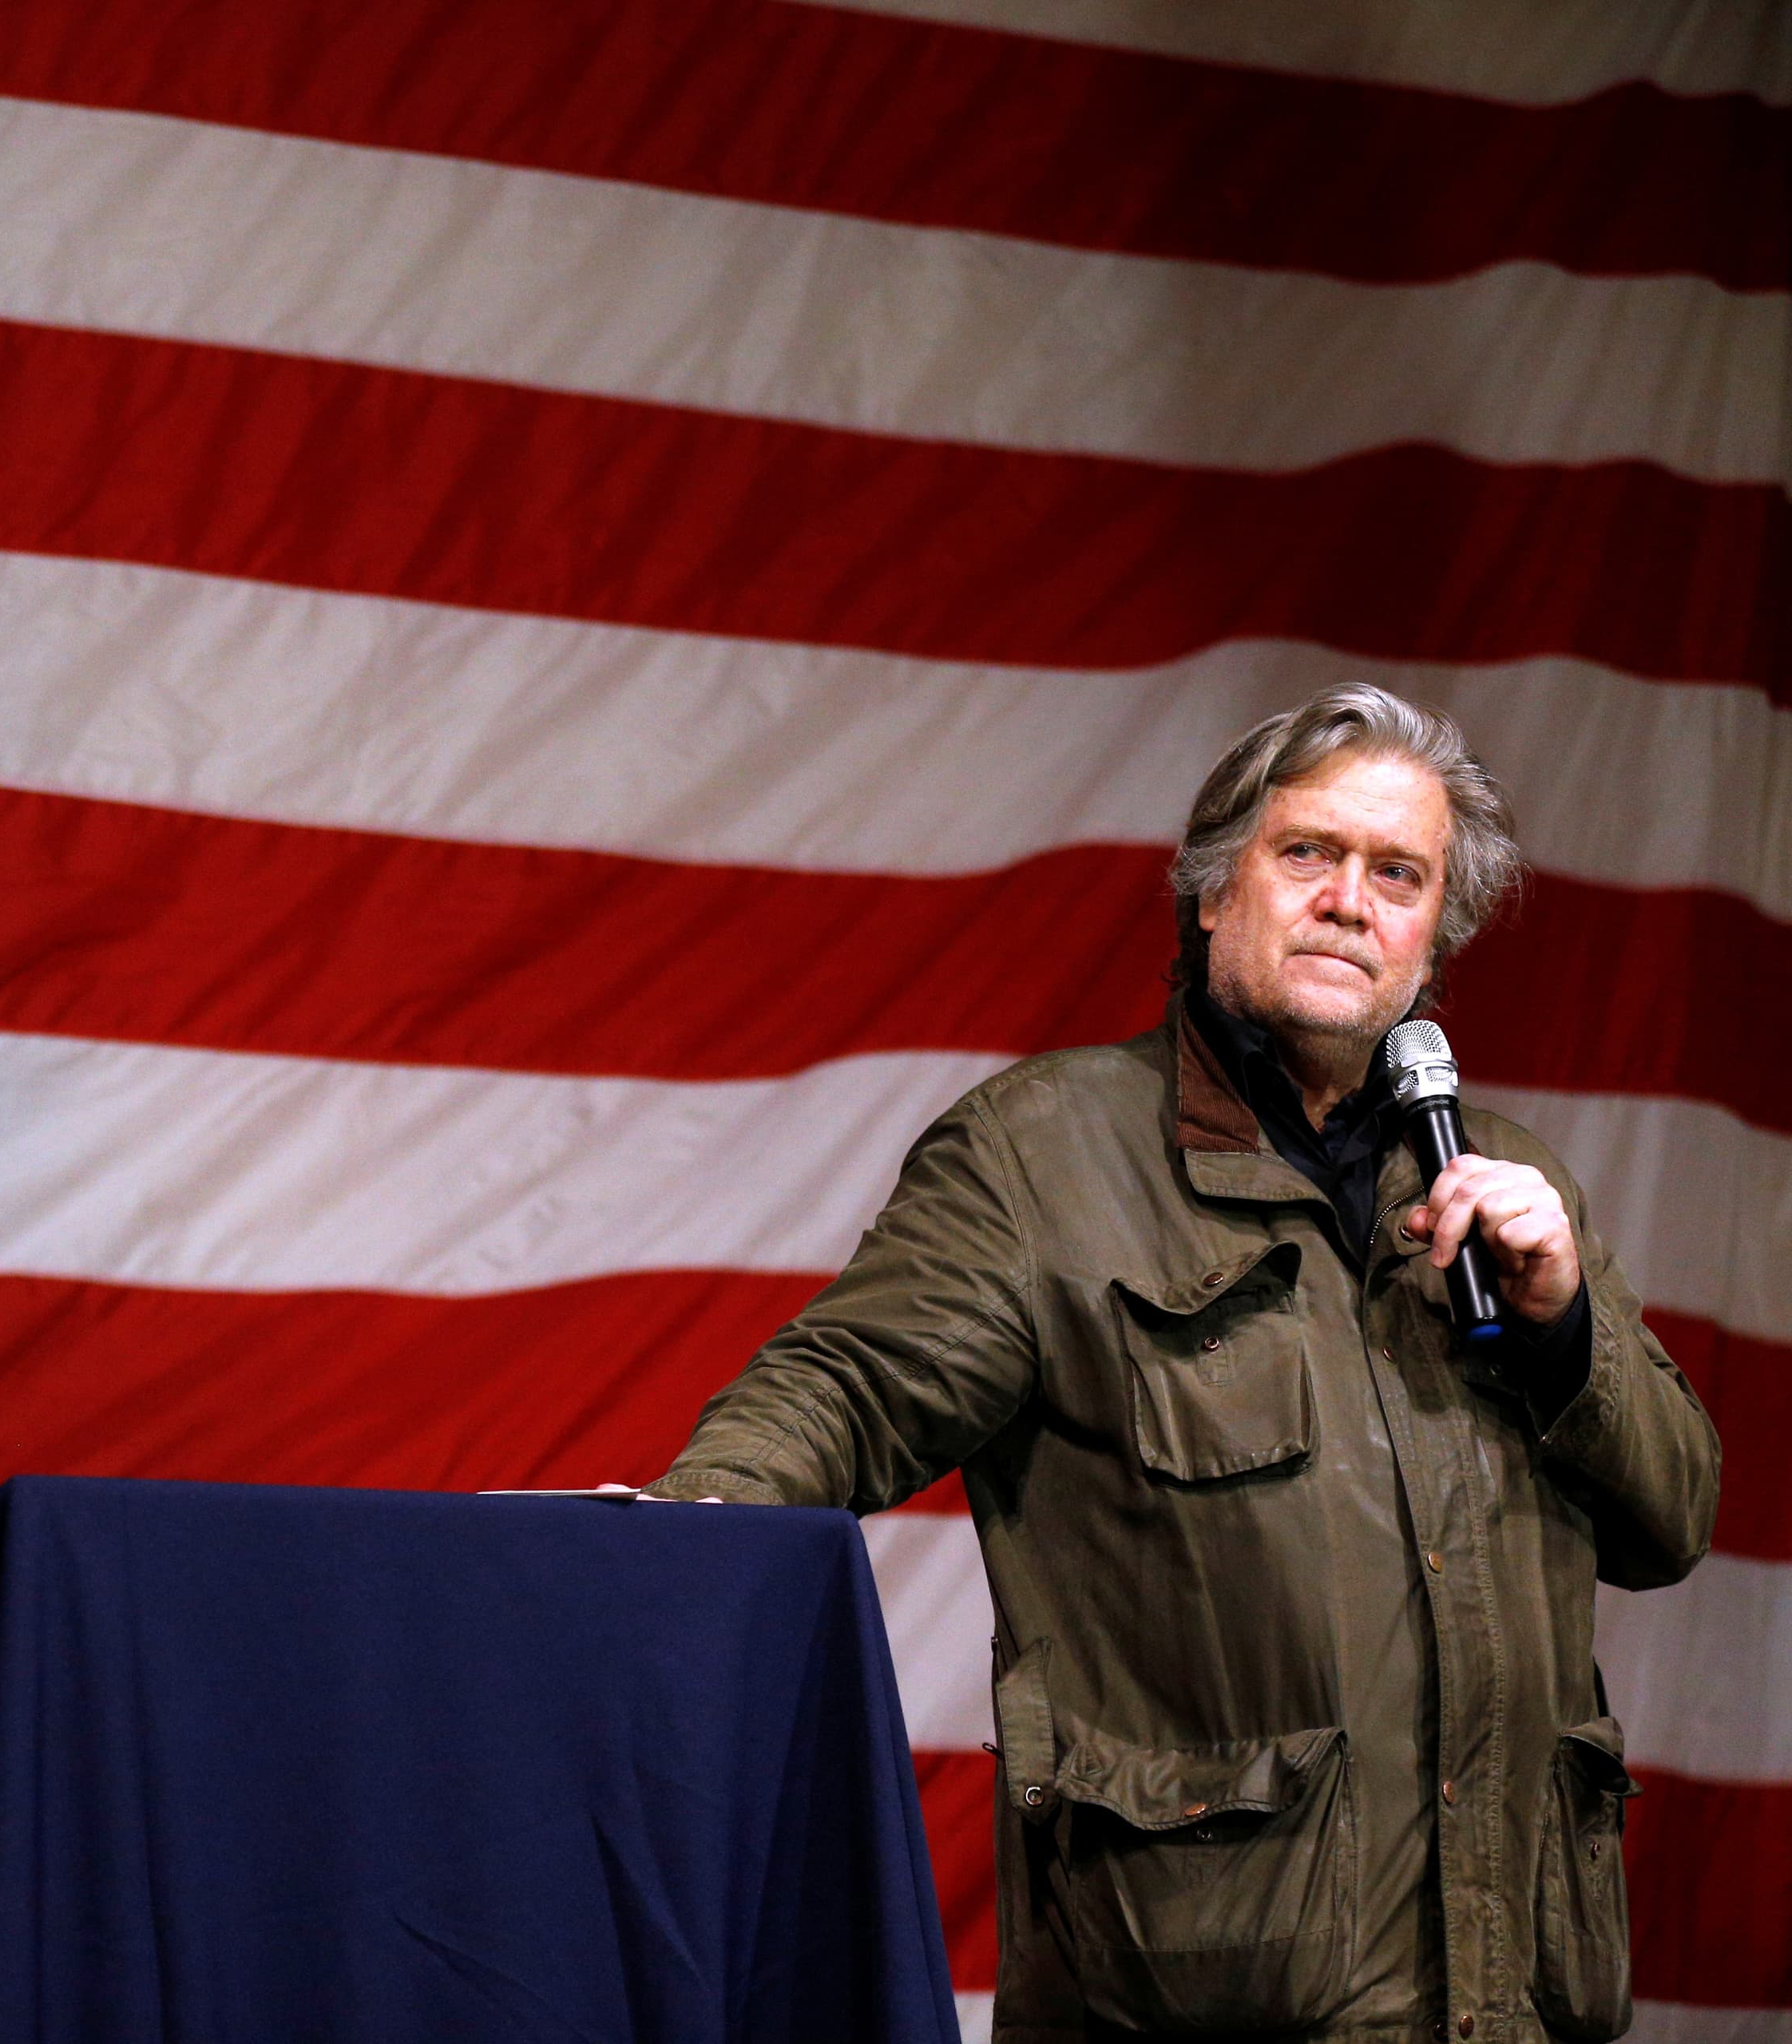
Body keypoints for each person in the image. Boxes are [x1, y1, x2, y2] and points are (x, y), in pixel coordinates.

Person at [645, 685, 1719, 2042]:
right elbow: (846, 1392)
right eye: (1308, 854)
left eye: (1399, 875)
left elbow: (1675, 1518)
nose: (1349, 901)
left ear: (1432, 942)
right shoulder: (1044, 1155)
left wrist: (1564, 1324)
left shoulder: (1507, 1187)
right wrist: (674, 1551)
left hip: (1507, 2005)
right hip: (1198, 1999)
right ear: (1216, 894)